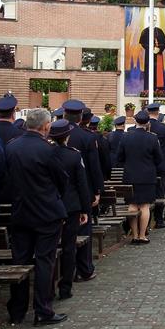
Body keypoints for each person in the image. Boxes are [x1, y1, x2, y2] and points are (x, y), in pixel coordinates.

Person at [5, 108, 68, 326]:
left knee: (19, 261)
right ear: (46, 126)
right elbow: (61, 179)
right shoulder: (48, 150)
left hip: (21, 212)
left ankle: (17, 309)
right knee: (45, 261)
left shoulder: (11, 147)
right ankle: (43, 310)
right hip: (47, 212)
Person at [49, 120, 91, 301]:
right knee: (68, 247)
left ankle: (48, 289)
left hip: (51, 206)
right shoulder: (73, 156)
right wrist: (85, 209)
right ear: (67, 137)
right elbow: (82, 185)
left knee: (50, 249)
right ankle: (65, 286)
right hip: (71, 206)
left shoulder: (48, 153)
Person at [62, 99, 103, 282]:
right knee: (84, 229)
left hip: (59, 191)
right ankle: (84, 268)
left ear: (64, 115)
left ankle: (66, 271)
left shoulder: (54, 133)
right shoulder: (87, 137)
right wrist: (97, 190)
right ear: (80, 117)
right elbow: (95, 167)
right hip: (81, 190)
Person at [118, 111, 163, 243]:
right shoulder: (153, 138)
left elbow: (119, 157)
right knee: (144, 206)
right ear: (148, 123)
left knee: (132, 205)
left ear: (135, 121)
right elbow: (159, 158)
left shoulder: (126, 137)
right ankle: (143, 235)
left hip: (130, 175)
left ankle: (135, 235)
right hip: (147, 176)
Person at [147, 103, 165, 227]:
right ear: (158, 113)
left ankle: (146, 220)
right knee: (160, 191)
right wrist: (164, 159)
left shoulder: (143, 127)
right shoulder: (164, 128)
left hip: (147, 165)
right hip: (161, 165)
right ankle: (159, 219)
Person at [139, 16, 165, 92]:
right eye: (152, 20)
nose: (154, 21)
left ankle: (158, 90)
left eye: (155, 20)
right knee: (149, 71)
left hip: (158, 55)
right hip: (149, 55)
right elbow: (142, 43)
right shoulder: (145, 31)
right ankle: (148, 90)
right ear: (149, 21)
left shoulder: (159, 31)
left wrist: (159, 49)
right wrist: (151, 49)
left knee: (158, 73)